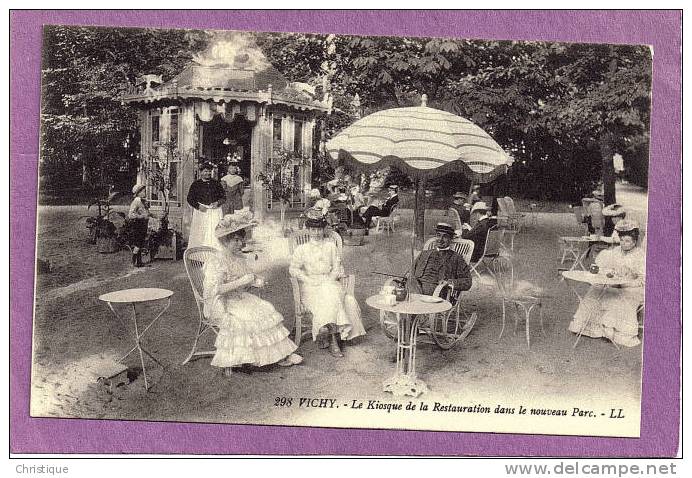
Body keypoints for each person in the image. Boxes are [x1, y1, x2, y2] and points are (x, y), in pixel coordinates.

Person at [203, 213, 302, 377]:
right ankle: (240, 358)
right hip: (222, 302)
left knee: (265, 308)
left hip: (240, 297)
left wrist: (255, 282)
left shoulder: (240, 258)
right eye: (235, 240)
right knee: (249, 315)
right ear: (225, 240)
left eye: (241, 240)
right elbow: (216, 290)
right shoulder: (216, 261)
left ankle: (280, 355)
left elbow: (246, 281)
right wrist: (242, 281)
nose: (239, 244)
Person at [289, 213, 366, 358]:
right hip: (310, 285)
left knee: (331, 292)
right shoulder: (302, 249)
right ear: (308, 230)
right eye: (313, 229)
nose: (316, 233)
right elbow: (293, 269)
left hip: (329, 281)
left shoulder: (330, 246)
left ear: (323, 229)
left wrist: (330, 279)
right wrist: (307, 279)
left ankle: (330, 338)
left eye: (319, 229)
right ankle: (333, 339)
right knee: (330, 295)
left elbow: (337, 267)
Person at [568, 220, 645, 347]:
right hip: (614, 283)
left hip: (633, 287)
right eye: (621, 240)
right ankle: (587, 326)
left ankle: (612, 331)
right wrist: (611, 275)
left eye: (627, 241)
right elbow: (606, 269)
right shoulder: (615, 251)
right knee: (595, 290)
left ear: (635, 241)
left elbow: (643, 279)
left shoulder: (640, 255)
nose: (623, 244)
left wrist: (627, 280)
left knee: (620, 297)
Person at [409, 223, 473, 296]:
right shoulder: (424, 254)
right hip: (415, 289)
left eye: (445, 236)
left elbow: (467, 281)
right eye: (438, 235)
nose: (440, 240)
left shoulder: (456, 258)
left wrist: (449, 282)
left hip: (436, 293)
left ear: (451, 239)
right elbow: (411, 273)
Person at [187, 162, 226, 249]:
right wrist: (198, 206)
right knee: (200, 232)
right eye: (205, 171)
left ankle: (214, 253)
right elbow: (190, 199)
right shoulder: (196, 184)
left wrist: (217, 203)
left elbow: (223, 197)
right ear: (201, 172)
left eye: (209, 171)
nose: (208, 173)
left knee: (214, 232)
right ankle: (199, 255)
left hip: (214, 211)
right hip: (201, 212)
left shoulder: (216, 183)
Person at [127, 183, 155, 267]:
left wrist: (153, 215)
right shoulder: (136, 201)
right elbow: (130, 214)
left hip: (143, 224)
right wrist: (141, 216)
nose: (145, 192)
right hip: (138, 224)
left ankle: (139, 262)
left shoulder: (142, 201)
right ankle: (133, 261)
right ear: (138, 193)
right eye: (143, 191)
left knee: (140, 243)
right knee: (138, 243)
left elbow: (146, 212)